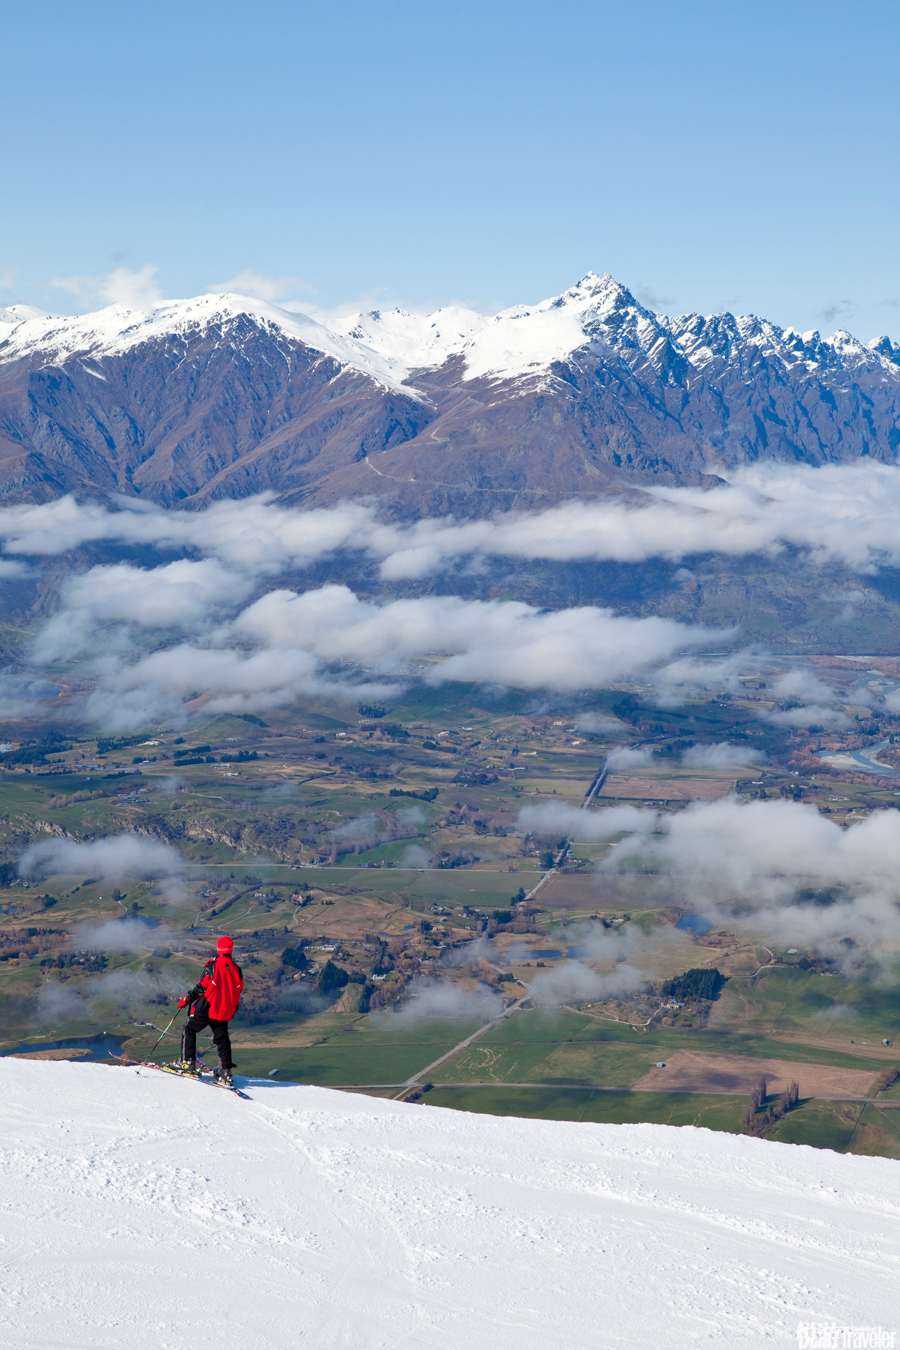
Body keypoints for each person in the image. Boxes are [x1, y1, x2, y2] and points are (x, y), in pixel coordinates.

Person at [173, 935, 244, 1085]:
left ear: (219, 949)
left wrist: (187, 1000)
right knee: (222, 1039)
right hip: (224, 1009)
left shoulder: (212, 966)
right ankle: (225, 1072)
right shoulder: (236, 969)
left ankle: (188, 1064)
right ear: (231, 950)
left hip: (207, 1007)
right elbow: (239, 989)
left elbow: (201, 987)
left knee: (189, 1029)